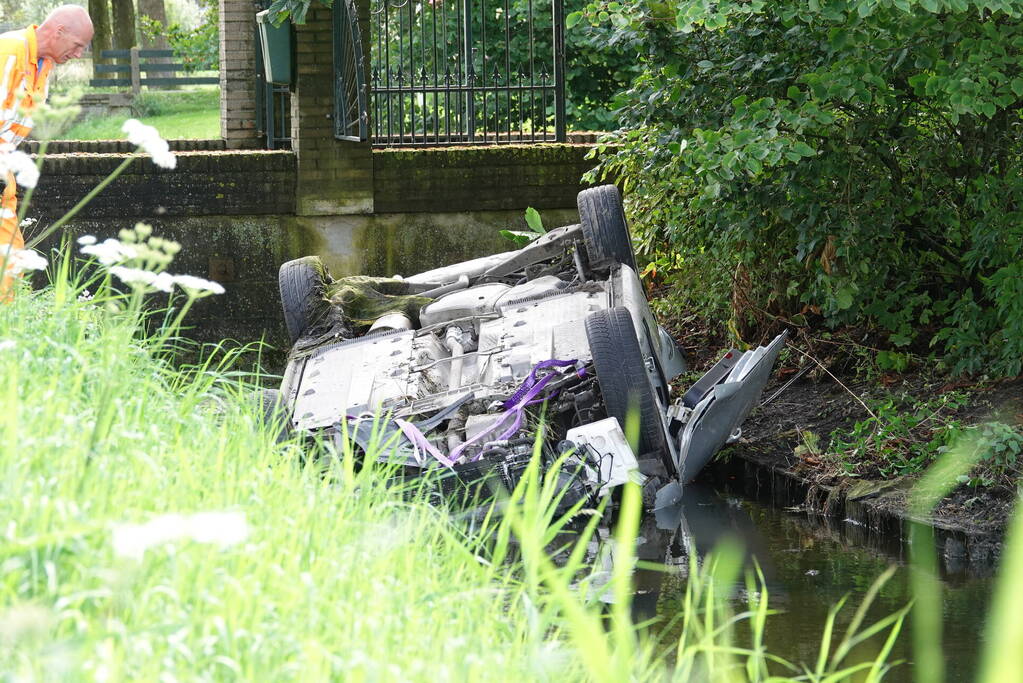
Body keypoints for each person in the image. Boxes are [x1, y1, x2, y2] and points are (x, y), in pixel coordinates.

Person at [0, 5, 93, 297]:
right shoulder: (9, 52)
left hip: (4, 180)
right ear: (59, 31)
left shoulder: (44, 64)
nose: (78, 54)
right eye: (78, 45)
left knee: (10, 271)